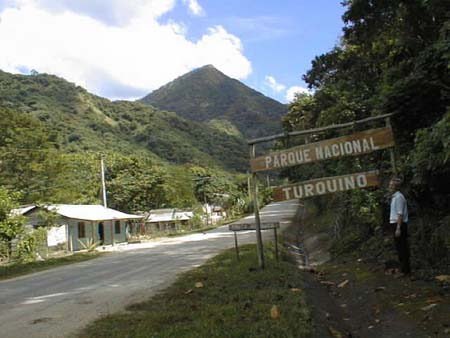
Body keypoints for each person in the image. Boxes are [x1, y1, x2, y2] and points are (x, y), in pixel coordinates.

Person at [389, 177, 411, 275]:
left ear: (396, 187)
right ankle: (403, 269)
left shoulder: (399, 197)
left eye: (391, 185)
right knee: (399, 247)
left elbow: (400, 214)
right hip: (395, 224)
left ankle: (405, 270)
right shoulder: (395, 197)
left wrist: (398, 228)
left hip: (399, 225)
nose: (389, 186)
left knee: (402, 248)